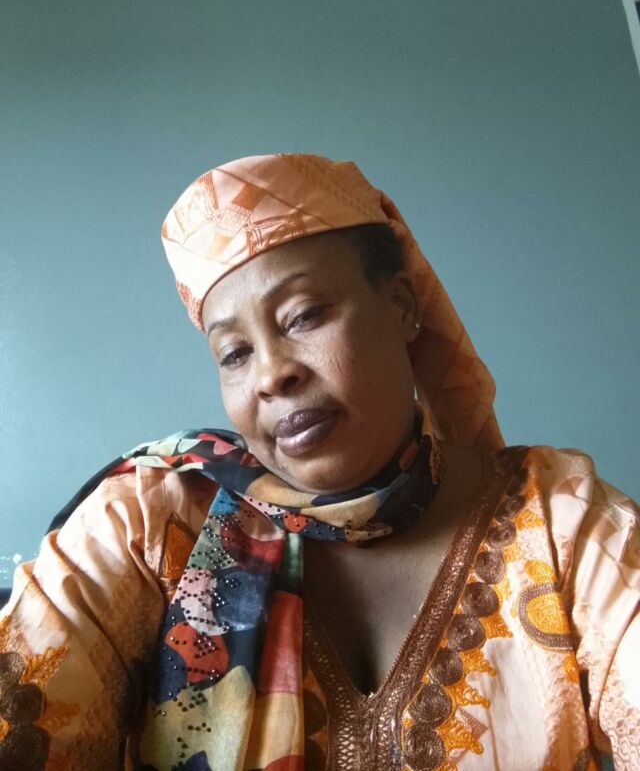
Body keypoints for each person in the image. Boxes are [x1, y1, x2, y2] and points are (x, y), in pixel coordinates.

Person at [0, 153, 638, 771]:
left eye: (303, 316)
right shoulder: (147, 525)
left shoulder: (564, 523)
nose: (271, 375)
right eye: (235, 353)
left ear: (402, 307)